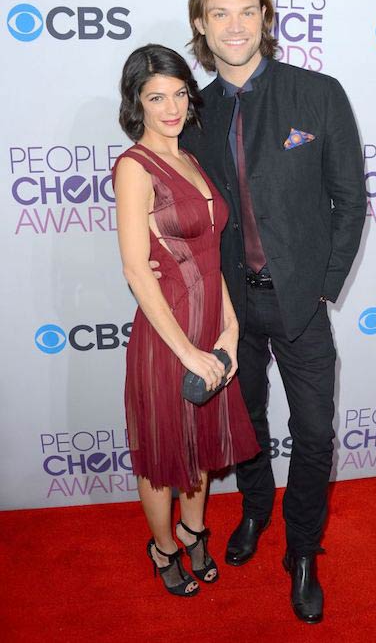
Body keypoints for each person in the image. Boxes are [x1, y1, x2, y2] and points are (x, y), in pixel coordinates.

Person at [164, 0, 367, 623]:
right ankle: (254, 512)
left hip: (300, 301)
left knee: (313, 433)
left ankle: (303, 549)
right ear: (201, 23)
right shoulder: (190, 113)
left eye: (246, 9)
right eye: (219, 12)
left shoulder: (318, 93)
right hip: (230, 309)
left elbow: (349, 199)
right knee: (245, 426)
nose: (234, 24)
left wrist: (323, 286)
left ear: (265, 18)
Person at [112, 44, 259, 598]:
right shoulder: (135, 166)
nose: (171, 107)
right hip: (166, 335)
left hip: (208, 329)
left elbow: (210, 253)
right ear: (137, 103)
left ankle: (194, 530)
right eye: (156, 97)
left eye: (178, 94)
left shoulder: (192, 159)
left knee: (198, 447)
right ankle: (164, 548)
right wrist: (187, 352)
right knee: (163, 457)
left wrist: (230, 331)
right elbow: (135, 267)